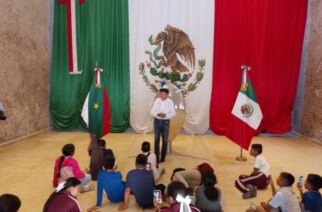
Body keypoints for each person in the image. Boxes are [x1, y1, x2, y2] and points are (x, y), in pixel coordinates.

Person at [150, 88, 176, 163]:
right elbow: (152, 111)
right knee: (156, 140)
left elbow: (173, 113)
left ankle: (163, 157)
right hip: (157, 122)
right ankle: (156, 157)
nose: (162, 95)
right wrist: (157, 114)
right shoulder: (157, 100)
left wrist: (165, 115)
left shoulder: (170, 102)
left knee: (165, 140)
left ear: (167, 95)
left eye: (164, 94)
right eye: (161, 94)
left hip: (165, 122)